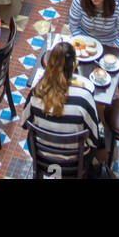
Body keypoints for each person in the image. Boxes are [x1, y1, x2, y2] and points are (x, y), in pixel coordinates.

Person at [27, 41, 104, 173]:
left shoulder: (36, 93)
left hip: (42, 158)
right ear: (73, 66)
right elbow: (93, 140)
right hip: (74, 163)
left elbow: (25, 123)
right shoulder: (84, 99)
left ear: (49, 65)